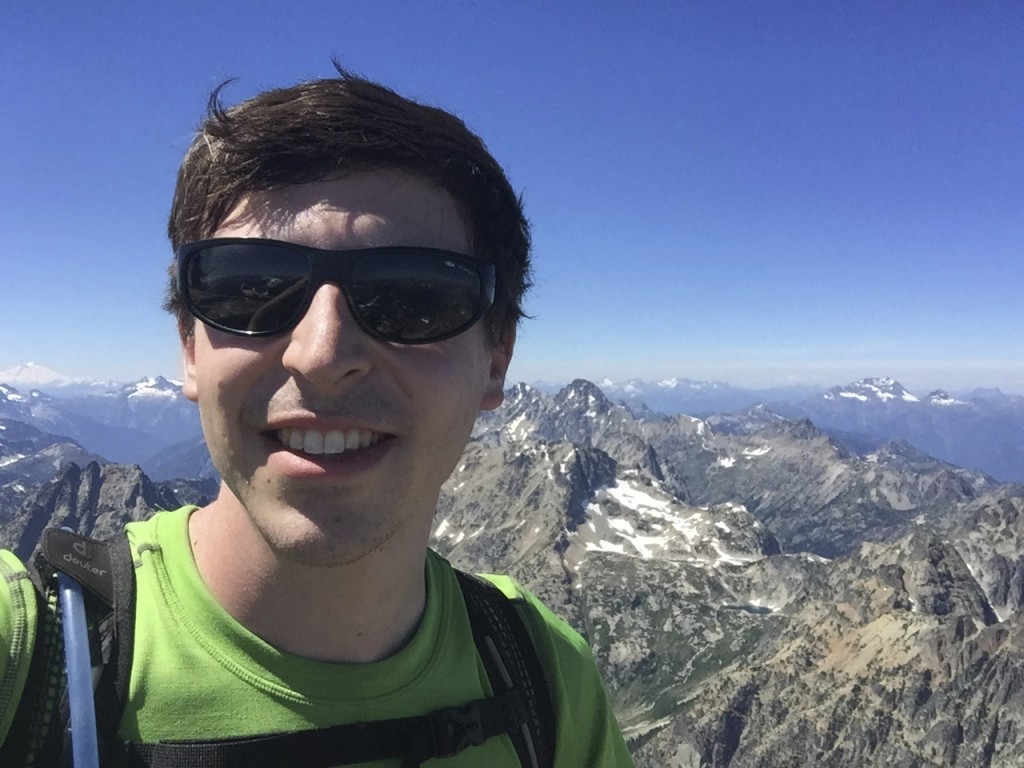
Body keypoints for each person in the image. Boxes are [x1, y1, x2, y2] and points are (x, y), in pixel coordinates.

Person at [0, 68, 633, 767]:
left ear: (496, 359)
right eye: (250, 289)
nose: (322, 355)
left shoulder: (550, 678)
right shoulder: (27, 653)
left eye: (414, 299)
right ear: (189, 347)